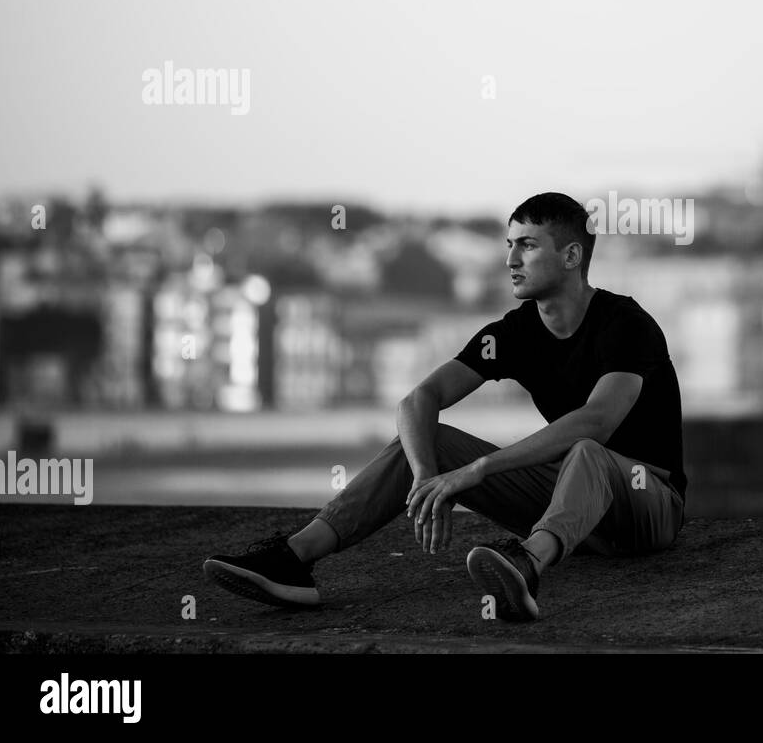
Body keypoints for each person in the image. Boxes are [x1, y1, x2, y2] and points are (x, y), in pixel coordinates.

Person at [203, 192, 687, 622]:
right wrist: (425, 477)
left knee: (584, 450)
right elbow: (419, 400)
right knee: (426, 437)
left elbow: (597, 421)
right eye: (509, 245)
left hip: (647, 504)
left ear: (571, 256)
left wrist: (478, 469)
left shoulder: (625, 324)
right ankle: (295, 558)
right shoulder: (515, 333)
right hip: (572, 506)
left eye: (528, 245)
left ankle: (528, 563)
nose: (512, 259)